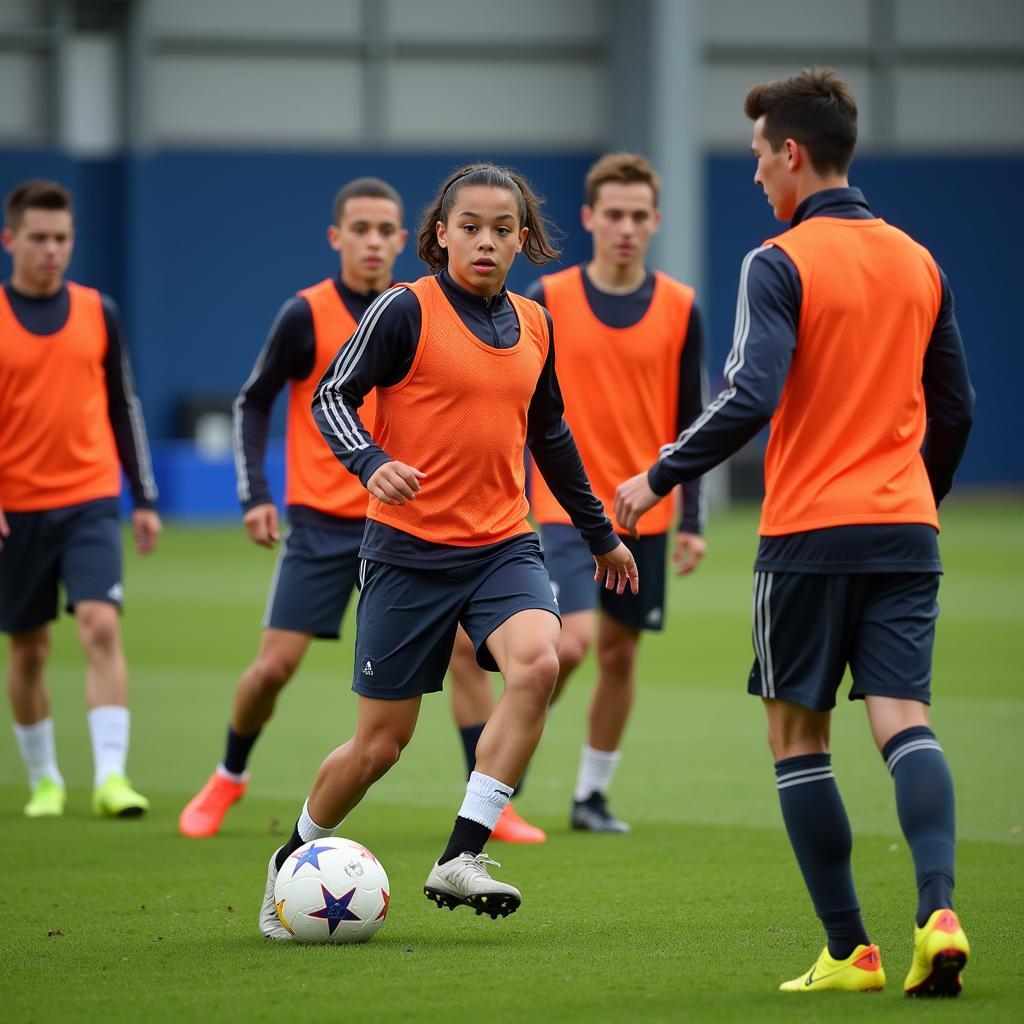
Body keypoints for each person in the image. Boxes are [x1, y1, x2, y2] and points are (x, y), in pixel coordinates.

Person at [615, 69, 974, 996]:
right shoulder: (918, 259)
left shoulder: (778, 261)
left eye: (757, 158)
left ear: (792, 153)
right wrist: (915, 498)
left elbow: (751, 395)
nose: (755, 177)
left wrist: (657, 474)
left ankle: (850, 951)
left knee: (797, 739)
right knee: (905, 722)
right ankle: (938, 912)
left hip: (811, 533)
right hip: (906, 532)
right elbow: (958, 409)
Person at [258, 163, 638, 939]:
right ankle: (291, 862)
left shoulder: (537, 323)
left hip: (504, 542)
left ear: (524, 239)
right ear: (439, 235)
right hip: (405, 553)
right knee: (379, 747)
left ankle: (461, 855)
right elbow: (331, 394)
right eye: (471, 227)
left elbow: (551, 433)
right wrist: (372, 463)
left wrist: (600, 535)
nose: (488, 242)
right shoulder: (405, 310)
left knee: (541, 660)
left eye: (505, 230)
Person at [450, 153, 706, 835]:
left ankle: (589, 795)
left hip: (649, 511)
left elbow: (692, 421)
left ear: (655, 221)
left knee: (620, 654)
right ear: (590, 219)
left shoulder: (681, 307)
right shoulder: (548, 299)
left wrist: (693, 518)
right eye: (612, 214)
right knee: (570, 644)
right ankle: (500, 768)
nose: (625, 227)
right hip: (566, 511)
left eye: (638, 215)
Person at [179, 178, 408, 838]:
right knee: (273, 667)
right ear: (337, 237)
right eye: (359, 229)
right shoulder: (305, 313)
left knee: (456, 657)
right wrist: (255, 494)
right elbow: (253, 400)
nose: (372, 241)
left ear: (402, 238)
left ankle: (488, 804)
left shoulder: (414, 310)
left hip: (398, 523)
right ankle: (227, 777)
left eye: (385, 229)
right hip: (318, 523)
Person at [0, 180, 161, 818]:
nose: (51, 250)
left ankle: (111, 779)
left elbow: (124, 405)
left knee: (99, 624)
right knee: (30, 648)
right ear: (10, 240)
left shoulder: (100, 311)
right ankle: (44, 780)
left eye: (62, 238)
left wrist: (142, 496)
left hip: (90, 499)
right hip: (16, 510)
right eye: (38, 238)